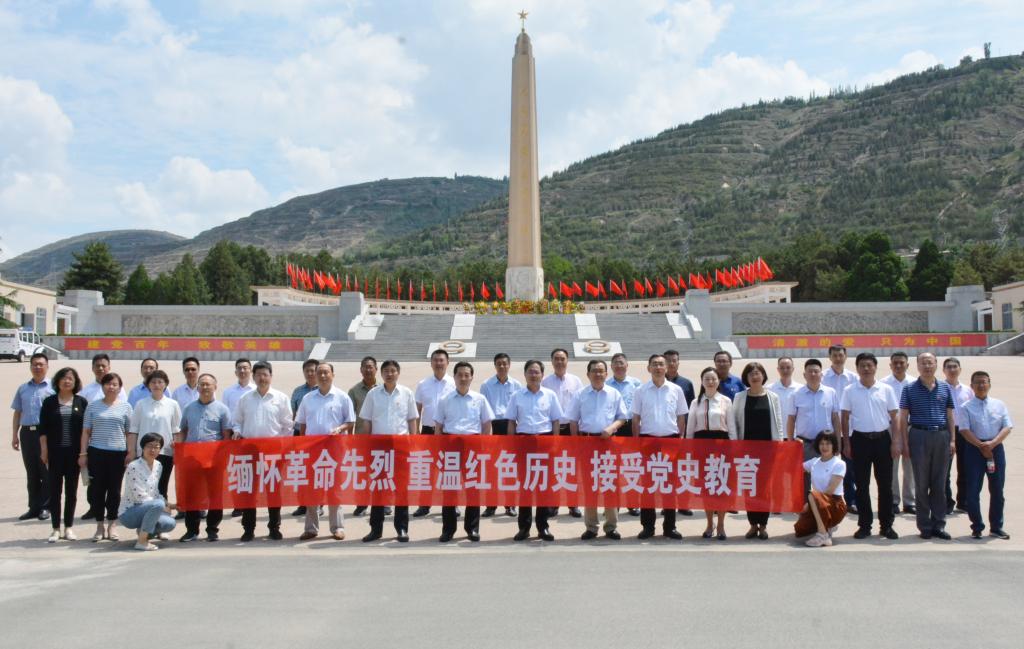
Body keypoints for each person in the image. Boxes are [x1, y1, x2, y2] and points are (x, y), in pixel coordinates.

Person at [840, 353, 900, 540]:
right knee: (862, 486)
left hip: (883, 440)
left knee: (885, 486)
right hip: (860, 441)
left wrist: (896, 441)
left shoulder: (886, 389)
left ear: (875, 367)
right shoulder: (850, 390)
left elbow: (895, 416)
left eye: (869, 365)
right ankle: (864, 526)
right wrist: (846, 443)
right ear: (857, 368)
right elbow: (844, 417)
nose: (866, 369)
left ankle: (886, 526)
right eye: (862, 366)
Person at [233, 360, 293, 542]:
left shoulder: (281, 398)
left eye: (265, 374)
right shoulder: (245, 399)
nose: (262, 378)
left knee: (273, 491)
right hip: (249, 452)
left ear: (271, 376)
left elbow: (288, 425)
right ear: (253, 376)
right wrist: (237, 432)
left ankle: (274, 527)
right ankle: (248, 529)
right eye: (258, 374)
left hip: (273, 452)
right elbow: (237, 421)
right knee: (248, 491)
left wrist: (281, 446)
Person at [295, 362, 355, 541]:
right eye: (319, 373)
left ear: (332, 375)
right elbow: (302, 424)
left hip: (334, 450)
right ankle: (311, 528)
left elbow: (350, 421)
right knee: (312, 489)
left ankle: (337, 527)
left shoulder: (342, 397)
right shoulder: (308, 398)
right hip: (312, 450)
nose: (322, 376)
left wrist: (340, 429)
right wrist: (303, 445)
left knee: (334, 489)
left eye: (326, 372)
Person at [359, 359, 418, 543]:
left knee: (401, 489)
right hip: (378, 447)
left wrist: (414, 443)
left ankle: (402, 528)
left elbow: (412, 420)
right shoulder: (373, 394)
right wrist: (366, 445)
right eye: (386, 371)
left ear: (398, 373)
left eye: (393, 371)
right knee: (378, 489)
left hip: (401, 446)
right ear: (381, 373)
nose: (390, 374)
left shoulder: (406, 393)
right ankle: (375, 529)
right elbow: (367, 421)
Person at [435, 361, 494, 542]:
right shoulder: (445, 399)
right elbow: (438, 427)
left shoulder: (479, 399)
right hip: (451, 446)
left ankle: (472, 528)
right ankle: (448, 530)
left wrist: (483, 446)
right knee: (449, 490)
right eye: (459, 375)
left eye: (466, 375)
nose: (463, 378)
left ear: (471, 377)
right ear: (454, 377)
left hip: (473, 446)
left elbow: (487, 424)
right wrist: (439, 450)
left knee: (473, 489)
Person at [568, 359, 627, 541]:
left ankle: (611, 526)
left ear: (606, 374)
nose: (598, 374)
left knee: (610, 484)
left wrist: (611, 428)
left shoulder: (614, 393)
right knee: (589, 486)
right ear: (588, 374)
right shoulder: (580, 394)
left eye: (601, 371)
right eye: (594, 371)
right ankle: (591, 527)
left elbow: (622, 417)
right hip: (587, 443)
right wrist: (576, 444)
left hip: (608, 444)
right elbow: (573, 421)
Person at [899, 352, 955, 540]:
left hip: (941, 436)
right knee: (921, 484)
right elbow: (903, 417)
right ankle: (924, 526)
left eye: (930, 362)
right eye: (923, 363)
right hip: (918, 436)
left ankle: (939, 524)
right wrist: (905, 443)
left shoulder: (945, 388)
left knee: (939, 484)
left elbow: (950, 415)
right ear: (917, 366)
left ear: (936, 364)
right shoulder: (909, 389)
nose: (927, 366)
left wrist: (953, 440)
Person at [632, 354, 688, 540]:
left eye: (661, 364)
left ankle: (670, 527)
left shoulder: (676, 390)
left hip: (670, 441)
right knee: (647, 486)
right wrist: (636, 442)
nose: (658, 367)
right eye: (654, 364)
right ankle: (648, 527)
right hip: (647, 441)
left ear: (667, 367)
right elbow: (636, 418)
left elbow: (681, 416)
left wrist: (680, 439)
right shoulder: (640, 390)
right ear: (648, 368)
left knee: (669, 486)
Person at [506, 359, 563, 541]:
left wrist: (555, 444)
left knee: (543, 487)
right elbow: (511, 421)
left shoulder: (550, 395)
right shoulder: (517, 396)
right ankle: (524, 528)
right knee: (525, 487)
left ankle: (543, 527)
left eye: (536, 372)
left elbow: (555, 421)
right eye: (530, 371)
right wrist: (511, 445)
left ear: (542, 375)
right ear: (524, 374)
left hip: (545, 442)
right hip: (523, 442)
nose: (533, 375)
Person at [175, 372, 232, 542]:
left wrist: (224, 457)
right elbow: (183, 430)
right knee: (192, 495)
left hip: (214, 459)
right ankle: (192, 530)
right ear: (198, 387)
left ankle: (212, 529)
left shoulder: (223, 409)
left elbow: (226, 435)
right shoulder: (189, 408)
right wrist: (179, 446)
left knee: (215, 495)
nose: (205, 387)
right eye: (202, 384)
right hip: (192, 459)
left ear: (215, 387)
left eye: (208, 384)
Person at [731, 362, 784, 540]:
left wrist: (780, 444)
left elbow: (778, 422)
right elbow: (734, 422)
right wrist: (735, 445)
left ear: (763, 376)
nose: (755, 376)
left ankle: (763, 525)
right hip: (747, 451)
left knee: (765, 488)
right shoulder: (739, 397)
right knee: (749, 487)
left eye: (758, 373)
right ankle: (753, 524)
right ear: (746, 377)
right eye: (751, 373)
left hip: (768, 450)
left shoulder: (772, 397)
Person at [959, 371, 1012, 540]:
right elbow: (964, 430)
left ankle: (996, 527)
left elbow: (1007, 427)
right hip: (974, 450)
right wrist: (981, 445)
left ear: (989, 384)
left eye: (984, 382)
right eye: (977, 382)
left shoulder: (999, 405)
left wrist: (992, 444)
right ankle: (977, 526)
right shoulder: (965, 407)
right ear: (972, 386)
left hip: (995, 449)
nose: (981, 385)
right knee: (973, 490)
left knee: (997, 489)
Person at [80, 372, 132, 542]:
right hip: (96, 452)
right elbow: (86, 432)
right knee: (97, 490)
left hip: (118, 453)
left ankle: (112, 524)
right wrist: (83, 453)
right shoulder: (93, 406)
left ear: (120, 387)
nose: (111, 387)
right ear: (102, 387)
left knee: (114, 491)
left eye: (115, 384)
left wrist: (130, 452)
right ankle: (99, 525)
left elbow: (129, 433)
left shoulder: (126, 407)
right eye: (108, 384)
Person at [685, 367, 735, 540]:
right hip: (701, 447)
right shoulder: (695, 402)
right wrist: (689, 450)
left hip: (722, 446)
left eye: (713, 378)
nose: (711, 382)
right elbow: (690, 428)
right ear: (702, 381)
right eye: (707, 379)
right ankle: (709, 524)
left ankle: (721, 524)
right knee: (706, 487)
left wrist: (735, 448)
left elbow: (731, 427)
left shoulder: (726, 401)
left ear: (718, 381)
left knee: (721, 486)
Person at [39, 367, 87, 542]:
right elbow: (43, 429)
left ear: (75, 382)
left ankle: (68, 527)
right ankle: (55, 529)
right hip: (55, 453)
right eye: (64, 378)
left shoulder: (81, 402)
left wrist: (83, 453)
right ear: (57, 381)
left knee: (71, 492)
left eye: (70, 378)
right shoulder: (49, 402)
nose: (67, 381)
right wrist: (44, 451)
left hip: (74, 454)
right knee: (55, 491)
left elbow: (85, 431)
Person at [786, 359, 841, 494]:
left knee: (826, 476)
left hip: (826, 443)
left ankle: (824, 503)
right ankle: (806, 503)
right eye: (810, 371)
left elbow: (835, 418)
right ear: (804, 375)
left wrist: (838, 443)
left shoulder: (830, 392)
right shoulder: (796, 394)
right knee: (803, 477)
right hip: (805, 443)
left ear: (821, 374)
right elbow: (791, 419)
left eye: (816, 371)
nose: (813, 374)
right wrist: (790, 441)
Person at [412, 348, 456, 518]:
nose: (439, 363)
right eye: (435, 360)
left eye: (441, 360)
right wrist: (416, 432)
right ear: (431, 363)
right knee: (426, 469)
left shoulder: (454, 383)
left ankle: (451, 504)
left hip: (447, 432)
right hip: (428, 431)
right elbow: (417, 410)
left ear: (447, 362)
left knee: (449, 469)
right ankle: (424, 504)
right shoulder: (423, 384)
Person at [126, 369, 181, 504]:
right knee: (142, 486)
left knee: (161, 486)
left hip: (165, 452)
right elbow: (134, 430)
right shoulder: (141, 404)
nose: (156, 385)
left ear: (165, 384)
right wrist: (132, 451)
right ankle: (143, 512)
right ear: (148, 385)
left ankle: (162, 512)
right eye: (153, 382)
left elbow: (176, 430)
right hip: (143, 452)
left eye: (160, 382)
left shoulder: (172, 404)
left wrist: (177, 452)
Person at [542, 348, 584, 517]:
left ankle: (573, 504)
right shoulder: (545, 382)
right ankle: (553, 504)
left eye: (562, 359)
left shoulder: (576, 381)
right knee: (553, 467)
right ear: (552, 361)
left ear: (567, 360)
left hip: (571, 429)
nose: (559, 362)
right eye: (556, 359)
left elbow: (582, 404)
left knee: (571, 467)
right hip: (553, 429)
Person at [10, 352, 53, 521]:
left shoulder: (53, 388)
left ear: (47, 366)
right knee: (32, 471)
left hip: (46, 434)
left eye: (41, 364)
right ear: (30, 366)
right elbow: (17, 413)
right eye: (35, 364)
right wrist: (15, 435)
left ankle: (46, 507)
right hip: (27, 433)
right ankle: (33, 507)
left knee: (46, 471)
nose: (37, 367)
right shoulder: (23, 388)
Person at [479, 352, 521, 517]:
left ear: (509, 365)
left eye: (505, 363)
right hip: (493, 426)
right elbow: (483, 410)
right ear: (495, 365)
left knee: (509, 467)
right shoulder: (486, 385)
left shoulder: (516, 385)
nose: (502, 366)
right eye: (499, 364)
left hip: (511, 426)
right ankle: (491, 505)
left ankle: (510, 504)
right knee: (491, 469)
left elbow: (520, 408)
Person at [119, 433, 177, 551]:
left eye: (157, 447)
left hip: (148, 508)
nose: (153, 450)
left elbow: (155, 492)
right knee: (158, 505)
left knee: (169, 523)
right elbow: (139, 496)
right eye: (149, 446)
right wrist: (163, 506)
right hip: (129, 512)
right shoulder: (134, 466)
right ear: (142, 447)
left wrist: (170, 505)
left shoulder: (158, 465)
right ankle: (142, 541)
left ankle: (143, 531)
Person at [822, 344, 859, 511]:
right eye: (835, 355)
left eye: (841, 355)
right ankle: (828, 500)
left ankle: (851, 501)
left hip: (850, 430)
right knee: (829, 467)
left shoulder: (853, 378)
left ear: (845, 356)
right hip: (829, 431)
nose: (838, 358)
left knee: (850, 468)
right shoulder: (822, 377)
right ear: (830, 357)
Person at [795, 432, 847, 547]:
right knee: (800, 529)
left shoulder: (839, 464)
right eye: (821, 444)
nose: (824, 447)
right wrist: (797, 447)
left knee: (812, 495)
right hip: (817, 502)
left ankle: (822, 534)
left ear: (834, 445)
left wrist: (810, 504)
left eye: (828, 444)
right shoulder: (814, 462)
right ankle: (827, 526)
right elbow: (795, 468)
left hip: (835, 503)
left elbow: (830, 490)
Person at [608, 353, 643, 516]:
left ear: (627, 365)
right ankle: (613, 505)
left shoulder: (637, 384)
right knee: (612, 466)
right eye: (615, 363)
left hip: (631, 427)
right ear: (611, 366)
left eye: (621, 363)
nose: (619, 366)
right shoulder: (607, 384)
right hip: (613, 427)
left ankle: (632, 503)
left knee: (631, 466)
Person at [880, 352, 915, 514]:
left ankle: (910, 501)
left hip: (910, 428)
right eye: (895, 363)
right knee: (891, 467)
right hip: (890, 429)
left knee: (910, 466)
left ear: (907, 365)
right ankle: (894, 500)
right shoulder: (883, 384)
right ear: (890, 365)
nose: (899, 365)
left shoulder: (915, 383)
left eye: (902, 363)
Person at [222, 357, 255, 518]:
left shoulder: (256, 389)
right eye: (239, 368)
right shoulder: (228, 392)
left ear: (250, 370)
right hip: (235, 437)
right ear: (235, 371)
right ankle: (238, 504)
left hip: (252, 436)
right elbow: (227, 416)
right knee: (237, 471)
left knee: (253, 472)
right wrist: (233, 432)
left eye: (245, 368)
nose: (242, 371)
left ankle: (251, 502)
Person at [289, 358, 320, 517]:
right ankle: (303, 504)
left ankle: (319, 503)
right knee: (301, 471)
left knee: (319, 470)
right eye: (307, 370)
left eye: (313, 370)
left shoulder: (324, 390)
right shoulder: (298, 391)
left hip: (317, 437)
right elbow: (292, 415)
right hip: (300, 436)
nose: (310, 373)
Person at [348, 356, 378, 517]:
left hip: (380, 438)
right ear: (361, 370)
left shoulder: (383, 389)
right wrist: (349, 439)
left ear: (376, 369)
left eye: (371, 367)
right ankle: (361, 503)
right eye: (365, 367)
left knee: (381, 471)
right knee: (362, 473)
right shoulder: (354, 391)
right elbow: (349, 417)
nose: (368, 369)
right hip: (361, 438)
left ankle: (383, 503)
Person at [942, 357, 973, 514]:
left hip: (964, 432)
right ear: (944, 370)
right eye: (949, 367)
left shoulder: (968, 390)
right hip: (946, 432)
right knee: (944, 470)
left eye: (955, 366)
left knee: (965, 468)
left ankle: (963, 501)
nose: (952, 369)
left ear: (960, 369)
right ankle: (947, 502)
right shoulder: (939, 388)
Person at [767, 356, 803, 421]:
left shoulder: (801, 389)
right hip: (777, 427)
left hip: (796, 427)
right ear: (778, 369)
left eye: (788, 367)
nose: (785, 370)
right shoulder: (769, 389)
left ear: (793, 369)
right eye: (782, 368)